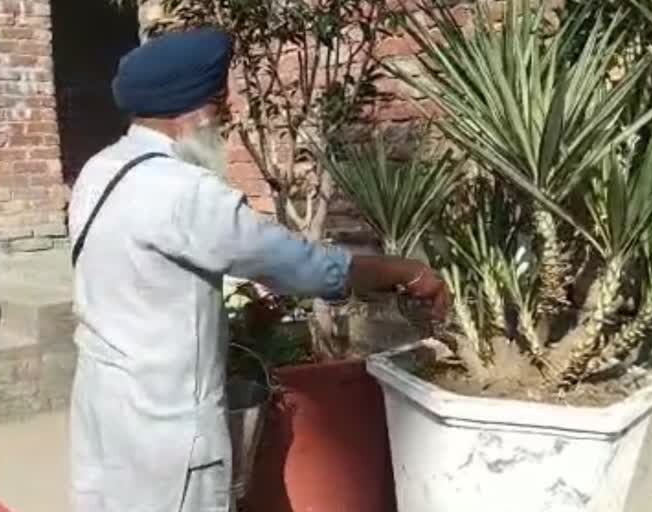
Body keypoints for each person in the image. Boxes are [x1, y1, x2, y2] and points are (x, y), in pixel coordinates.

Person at [67, 28, 448, 512]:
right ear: (196, 112)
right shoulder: (184, 193)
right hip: (164, 431)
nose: (225, 123)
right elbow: (302, 267)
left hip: (102, 411)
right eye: (221, 107)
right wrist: (405, 271)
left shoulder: (98, 171)